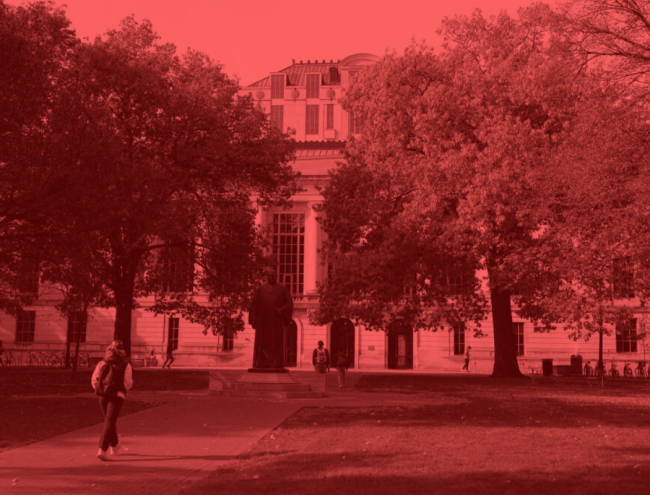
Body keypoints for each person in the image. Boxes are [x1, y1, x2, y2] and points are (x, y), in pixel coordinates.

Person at [91, 340, 133, 461]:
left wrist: (99, 389)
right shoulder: (126, 364)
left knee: (108, 420)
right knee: (110, 421)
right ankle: (102, 449)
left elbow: (94, 379)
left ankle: (115, 445)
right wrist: (122, 390)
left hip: (102, 395)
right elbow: (128, 383)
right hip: (117, 395)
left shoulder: (102, 362)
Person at [248, 268, 293, 370]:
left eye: (273, 276)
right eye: (269, 276)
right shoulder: (261, 288)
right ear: (266, 277)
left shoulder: (282, 288)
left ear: (276, 276)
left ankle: (276, 364)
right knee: (262, 342)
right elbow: (254, 304)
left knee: (276, 341)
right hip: (263, 320)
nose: (271, 278)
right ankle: (260, 364)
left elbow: (290, 303)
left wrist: (281, 310)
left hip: (276, 320)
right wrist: (253, 319)